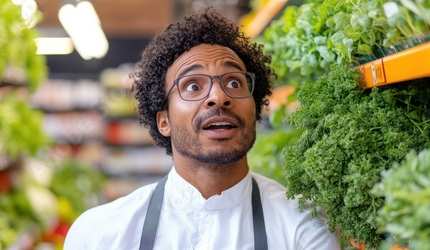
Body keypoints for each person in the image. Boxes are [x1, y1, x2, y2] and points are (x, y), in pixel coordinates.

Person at [64, 7, 340, 250]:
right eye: (193, 86)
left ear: (254, 107)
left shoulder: (304, 230)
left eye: (234, 82)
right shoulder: (98, 236)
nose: (219, 96)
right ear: (164, 121)